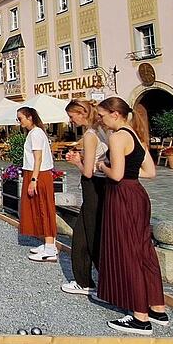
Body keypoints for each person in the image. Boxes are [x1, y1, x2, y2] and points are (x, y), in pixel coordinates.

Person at [96, 97, 168, 335]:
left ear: (115, 114)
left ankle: (140, 317)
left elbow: (115, 175)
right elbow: (151, 172)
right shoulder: (135, 135)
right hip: (138, 193)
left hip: (122, 196)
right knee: (144, 250)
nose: (101, 120)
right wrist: (127, 172)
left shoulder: (117, 137)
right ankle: (157, 308)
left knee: (128, 252)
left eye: (102, 115)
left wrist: (102, 166)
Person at [62, 99, 109, 296]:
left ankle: (95, 282)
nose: (71, 121)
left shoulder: (90, 134)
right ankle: (88, 280)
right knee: (87, 234)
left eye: (72, 117)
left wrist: (76, 161)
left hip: (93, 186)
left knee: (88, 234)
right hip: (103, 185)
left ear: (81, 113)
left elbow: (88, 172)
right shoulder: (102, 130)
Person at [17, 107, 58, 263]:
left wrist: (33, 180)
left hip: (38, 174)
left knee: (43, 208)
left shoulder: (36, 134)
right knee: (39, 208)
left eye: (20, 118)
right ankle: (48, 243)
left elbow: (38, 158)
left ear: (29, 117)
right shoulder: (36, 133)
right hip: (36, 173)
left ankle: (50, 247)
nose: (19, 122)